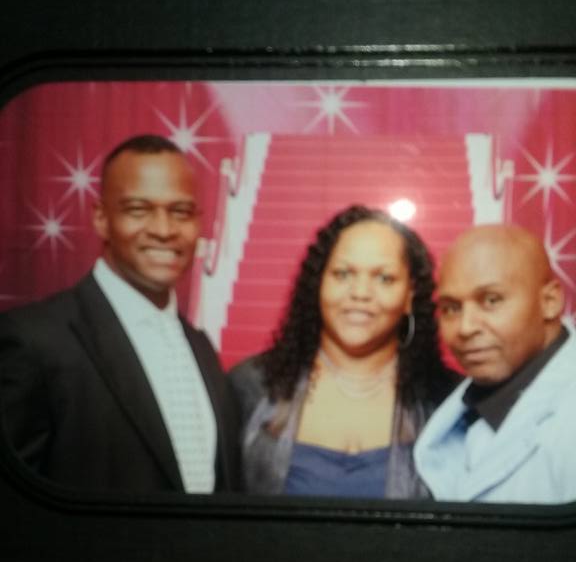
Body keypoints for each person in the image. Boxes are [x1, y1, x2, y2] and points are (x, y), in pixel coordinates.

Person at [0, 134, 239, 493]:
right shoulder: (33, 341)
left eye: (180, 212)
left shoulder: (201, 347)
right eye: (138, 210)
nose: (163, 230)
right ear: (101, 218)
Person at [229, 205, 456, 498]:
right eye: (343, 274)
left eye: (384, 278)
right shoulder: (251, 386)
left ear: (410, 295)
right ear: (319, 283)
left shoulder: (448, 402)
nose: (360, 293)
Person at [414, 224, 576, 504]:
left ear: (549, 302)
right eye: (451, 308)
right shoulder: (476, 402)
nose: (465, 327)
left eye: (491, 300)